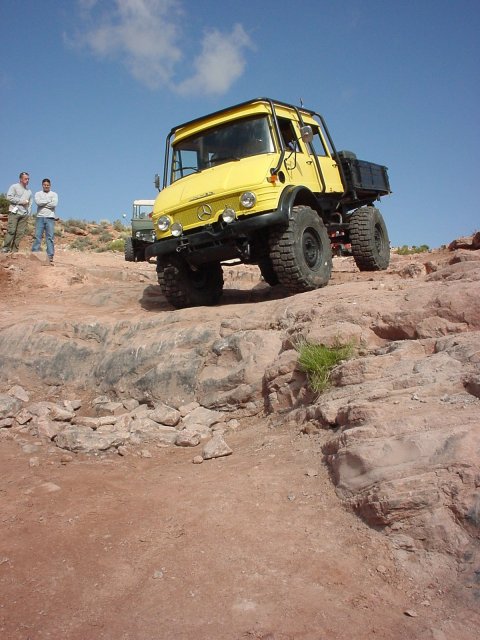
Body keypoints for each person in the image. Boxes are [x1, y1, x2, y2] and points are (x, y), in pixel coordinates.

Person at [2, 172, 32, 253]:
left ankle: (14, 250)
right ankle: (5, 248)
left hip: (24, 215)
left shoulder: (29, 191)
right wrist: (21, 201)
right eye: (26, 178)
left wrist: (28, 213)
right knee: (11, 231)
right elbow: (9, 197)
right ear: (21, 179)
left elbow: (30, 203)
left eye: (28, 179)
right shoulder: (14, 187)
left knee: (19, 233)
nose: (27, 180)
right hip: (14, 212)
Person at [32, 178, 58, 265]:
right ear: (42, 185)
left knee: (50, 237)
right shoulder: (38, 194)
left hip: (50, 217)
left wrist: (43, 203)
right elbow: (38, 203)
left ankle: (50, 255)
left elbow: (54, 204)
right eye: (45, 185)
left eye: (48, 185)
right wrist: (48, 201)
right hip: (40, 217)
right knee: (37, 235)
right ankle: (35, 252)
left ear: (50, 185)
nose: (46, 186)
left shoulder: (54, 194)